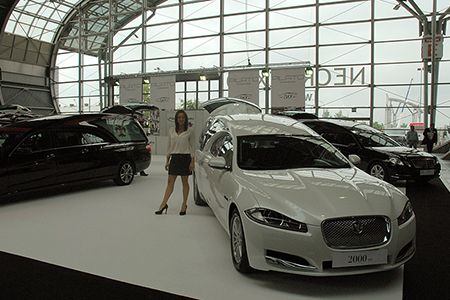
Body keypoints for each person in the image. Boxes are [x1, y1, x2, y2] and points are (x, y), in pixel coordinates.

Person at [155, 110, 195, 216]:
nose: (181, 119)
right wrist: (167, 160)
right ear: (176, 119)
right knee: (170, 183)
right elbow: (169, 146)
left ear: (185, 119)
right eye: (179, 117)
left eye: (183, 117)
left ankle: (184, 205)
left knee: (184, 182)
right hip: (175, 158)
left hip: (185, 158)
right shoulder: (171, 130)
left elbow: (192, 147)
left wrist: (192, 162)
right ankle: (163, 204)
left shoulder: (190, 131)